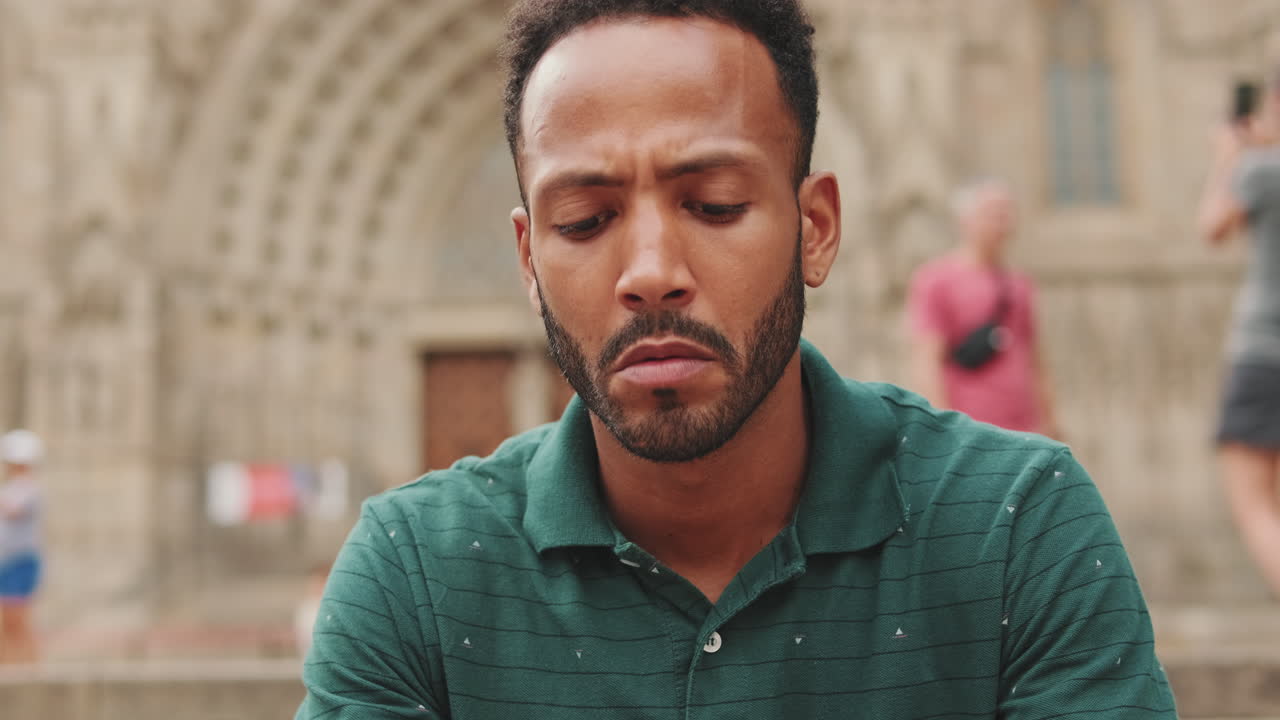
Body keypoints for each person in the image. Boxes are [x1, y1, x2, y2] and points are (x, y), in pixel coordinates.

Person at [297, 2, 1175, 717]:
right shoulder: (414, 570)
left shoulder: (1018, 529)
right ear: (528, 261)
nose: (651, 275)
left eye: (713, 205)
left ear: (816, 231)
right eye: (584, 222)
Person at [1197, 71, 1280, 599]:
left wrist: (1228, 154)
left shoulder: (1263, 170)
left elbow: (1211, 226)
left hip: (1265, 353)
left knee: (1251, 503)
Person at [906, 180, 1061, 437]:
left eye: (1007, 213)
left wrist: (1051, 420)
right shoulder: (935, 280)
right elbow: (926, 360)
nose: (1002, 221)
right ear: (965, 220)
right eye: (992, 213)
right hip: (971, 429)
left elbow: (1033, 358)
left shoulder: (1019, 284)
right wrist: (943, 428)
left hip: (1024, 429)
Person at [0, 429, 44, 664]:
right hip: (8, 560)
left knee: (17, 619)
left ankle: (29, 667)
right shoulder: (12, 487)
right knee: (7, 622)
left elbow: (13, 510)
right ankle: (8, 666)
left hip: (20, 560)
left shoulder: (29, 488)